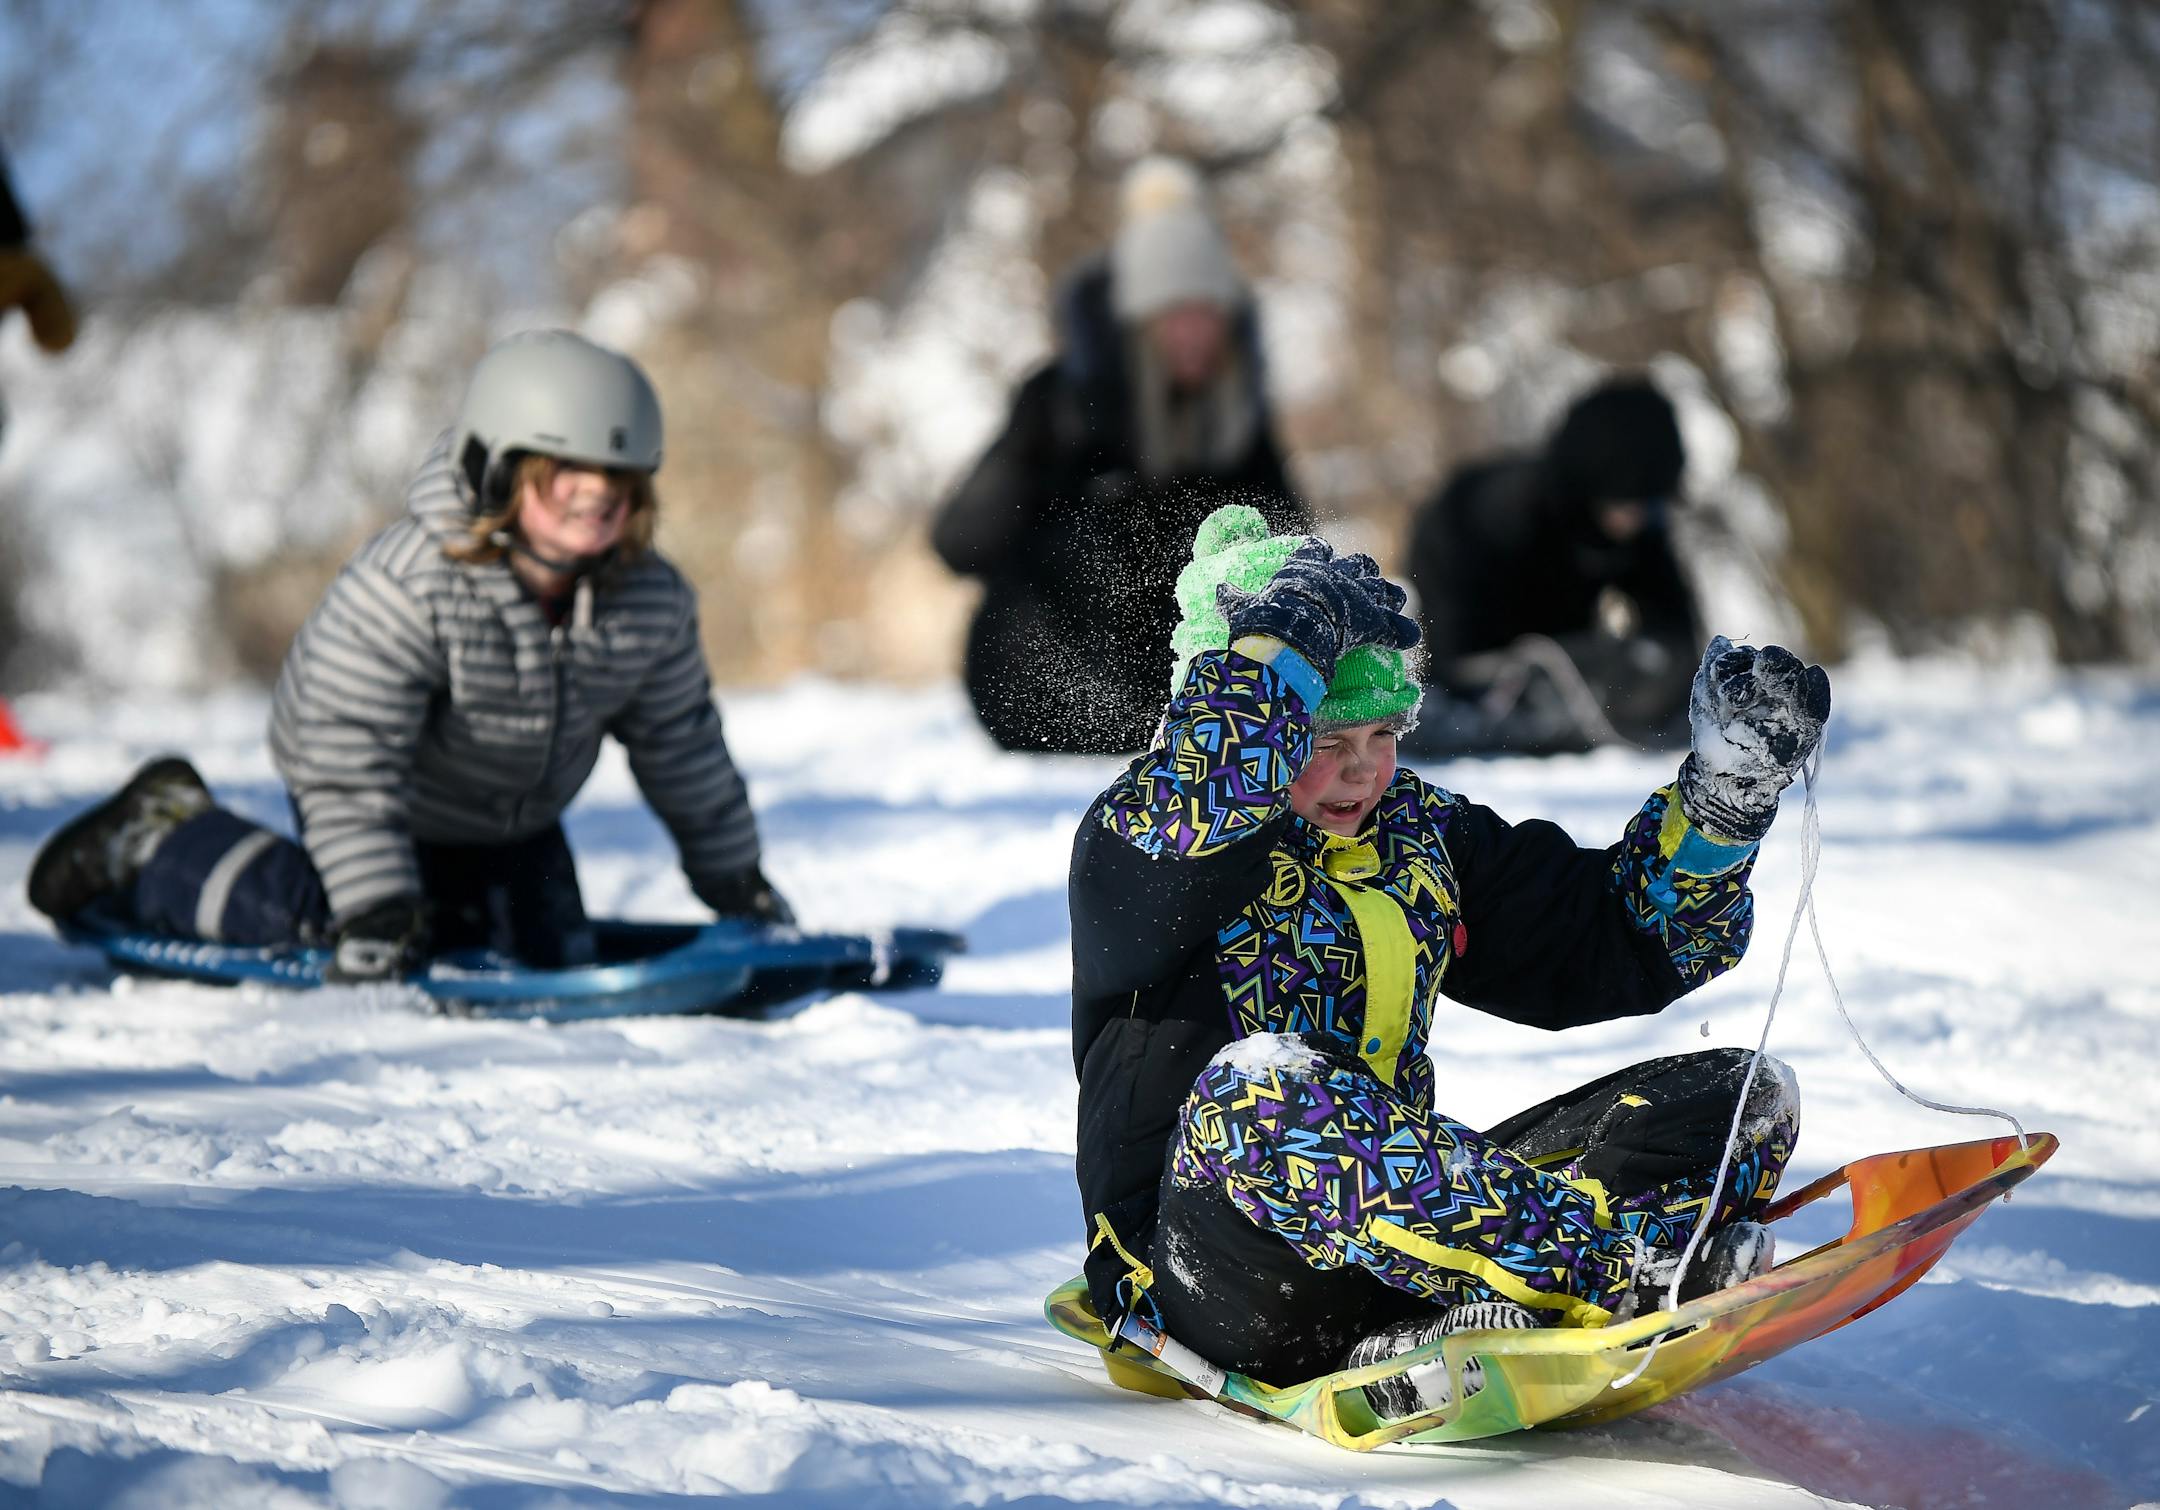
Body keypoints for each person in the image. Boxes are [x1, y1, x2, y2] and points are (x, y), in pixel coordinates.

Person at [1069, 503, 1827, 1410]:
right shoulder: (1142, 845)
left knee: (1742, 1096)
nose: (1362, 773)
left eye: (1382, 736)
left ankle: (1510, 1304)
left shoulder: (1415, 835)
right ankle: (1621, 1276)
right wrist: (1281, 642)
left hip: (1401, 1254)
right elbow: (1208, 787)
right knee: (1262, 1091)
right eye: (1326, 744)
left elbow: (1612, 938)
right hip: (1215, 1275)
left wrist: (1723, 804)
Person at [26, 330, 789, 979]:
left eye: (617, 480)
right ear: (500, 469)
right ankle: (160, 837)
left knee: (549, 959)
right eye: (565, 475)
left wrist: (734, 878)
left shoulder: (649, 603)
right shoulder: (413, 583)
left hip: (512, 823)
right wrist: (374, 902)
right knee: (339, 925)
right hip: (388, 804)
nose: (596, 496)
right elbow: (341, 743)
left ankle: (439, 907)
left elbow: (683, 747)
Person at [932, 157, 1307, 754]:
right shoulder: (1058, 402)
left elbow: (1291, 547)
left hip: (1180, 703)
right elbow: (958, 542)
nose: (1194, 333)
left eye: (1208, 312)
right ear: (1139, 321)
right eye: (1175, 313)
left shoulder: (1238, 429)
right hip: (1040, 691)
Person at [1402, 377, 1700, 757]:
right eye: (1623, 504)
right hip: (1473, 611)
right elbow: (1459, 656)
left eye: (1647, 504)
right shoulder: (1500, 513)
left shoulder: (1641, 522)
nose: (1635, 521)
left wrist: (1662, 677)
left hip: (1554, 636)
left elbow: (1673, 627)